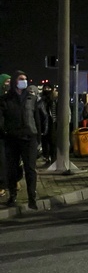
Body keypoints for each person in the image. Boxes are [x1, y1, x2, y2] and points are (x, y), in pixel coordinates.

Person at [0, 71, 40, 210]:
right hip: (12, 138)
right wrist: (5, 131)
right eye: (21, 79)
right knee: (12, 169)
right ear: (14, 82)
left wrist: (38, 136)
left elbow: (37, 118)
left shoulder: (31, 98)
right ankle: (12, 195)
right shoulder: (5, 99)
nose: (24, 81)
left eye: (25, 79)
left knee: (30, 169)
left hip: (29, 137)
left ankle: (32, 198)